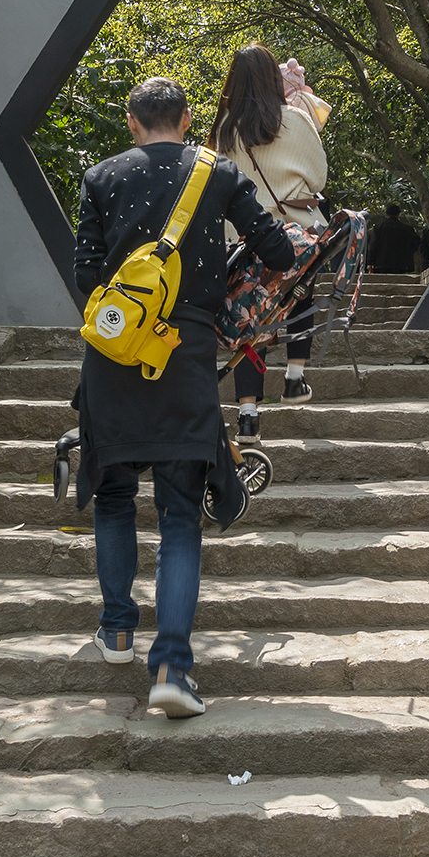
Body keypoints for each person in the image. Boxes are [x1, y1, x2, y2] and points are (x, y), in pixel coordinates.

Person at [73, 75, 295, 718]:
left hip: (115, 354)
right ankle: (171, 664)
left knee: (113, 494)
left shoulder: (100, 177)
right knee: (178, 516)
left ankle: (116, 627)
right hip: (186, 356)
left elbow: (87, 275)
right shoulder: (217, 173)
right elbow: (276, 248)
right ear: (189, 118)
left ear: (131, 121)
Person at [210, 43, 328, 440]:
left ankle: (247, 416)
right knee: (301, 292)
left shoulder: (223, 128)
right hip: (292, 234)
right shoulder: (293, 119)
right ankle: (294, 379)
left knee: (251, 317)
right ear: (272, 79)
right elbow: (318, 176)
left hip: (240, 241)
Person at [368, 202, 421, 274]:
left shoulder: (379, 228)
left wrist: (370, 262)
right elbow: (417, 241)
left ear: (387, 215)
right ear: (398, 215)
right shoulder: (407, 229)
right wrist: (408, 252)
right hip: (401, 263)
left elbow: (373, 245)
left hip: (382, 263)